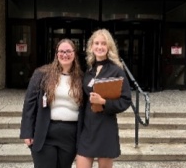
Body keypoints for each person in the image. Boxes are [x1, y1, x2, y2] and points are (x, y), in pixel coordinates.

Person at [20, 38, 83, 168]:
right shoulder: (41, 74)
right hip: (45, 132)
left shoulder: (82, 78)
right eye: (61, 51)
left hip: (70, 135)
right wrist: (27, 132)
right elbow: (29, 104)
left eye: (68, 51)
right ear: (56, 54)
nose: (65, 55)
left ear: (74, 54)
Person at [76, 29, 132, 168]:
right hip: (88, 127)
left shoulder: (117, 70)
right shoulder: (89, 70)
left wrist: (103, 102)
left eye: (103, 43)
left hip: (105, 127)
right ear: (91, 46)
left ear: (109, 47)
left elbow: (126, 100)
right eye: (96, 43)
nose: (99, 47)